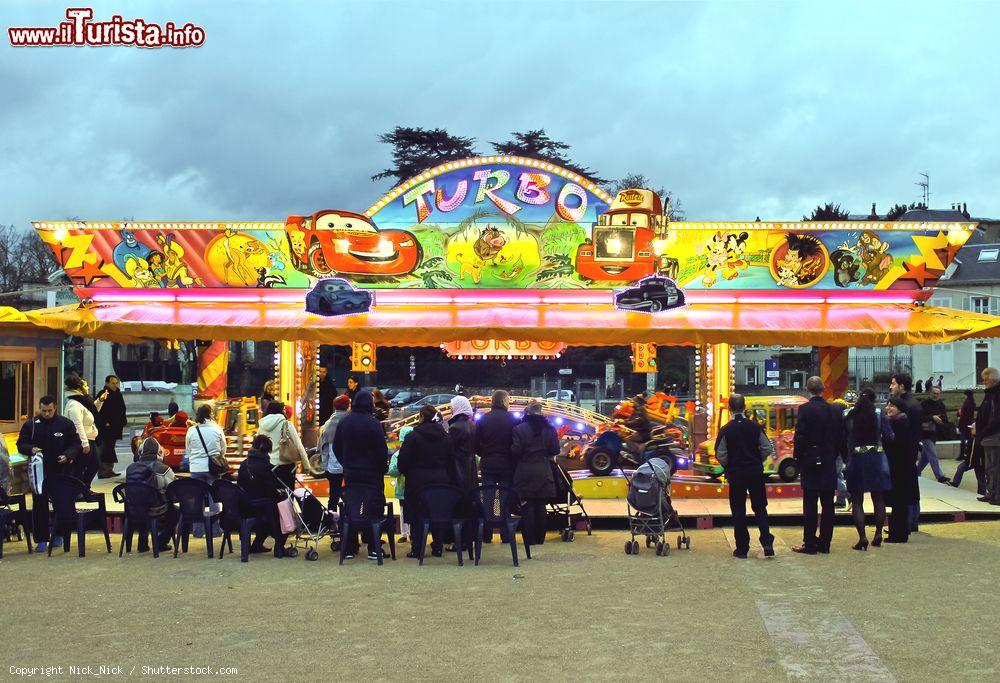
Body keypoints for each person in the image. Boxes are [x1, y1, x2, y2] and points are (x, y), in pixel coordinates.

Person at [16, 396, 82, 552]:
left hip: (60, 469)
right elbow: (21, 444)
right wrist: (31, 449)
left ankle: (60, 535)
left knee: (62, 503)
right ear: (39, 409)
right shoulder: (31, 425)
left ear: (55, 408)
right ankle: (41, 539)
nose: (46, 413)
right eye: (43, 411)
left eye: (49, 411)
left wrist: (68, 455)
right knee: (39, 504)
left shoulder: (65, 424)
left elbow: (76, 444)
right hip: (39, 471)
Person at [715, 393, 775, 559]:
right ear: (745, 407)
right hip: (755, 471)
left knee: (738, 509)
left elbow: (720, 453)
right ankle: (767, 541)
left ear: (729, 409)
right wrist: (757, 460)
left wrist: (729, 464)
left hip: (736, 473)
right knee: (760, 507)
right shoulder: (755, 427)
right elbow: (767, 448)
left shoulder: (726, 429)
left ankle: (742, 548)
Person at [332, 390, 389, 560]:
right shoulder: (374, 424)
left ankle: (350, 546)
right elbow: (382, 450)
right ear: (370, 405)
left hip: (351, 473)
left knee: (351, 506)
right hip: (372, 474)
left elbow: (336, 447)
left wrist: (346, 463)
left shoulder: (344, 422)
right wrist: (380, 467)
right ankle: (373, 546)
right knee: (374, 507)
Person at [792, 376, 844, 555]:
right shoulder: (834, 410)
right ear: (823, 389)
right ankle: (825, 542)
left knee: (810, 503)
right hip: (828, 460)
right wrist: (838, 455)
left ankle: (810, 543)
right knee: (828, 504)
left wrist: (798, 460)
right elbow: (840, 436)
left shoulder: (804, 410)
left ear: (808, 389)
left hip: (810, 460)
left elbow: (799, 437)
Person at [398, 405, 456, 558]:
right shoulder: (446, 437)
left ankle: (417, 549)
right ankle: (437, 546)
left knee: (417, 516)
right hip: (440, 481)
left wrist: (410, 473)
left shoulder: (412, 437)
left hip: (417, 483)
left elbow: (402, 462)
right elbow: (451, 461)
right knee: (437, 513)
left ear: (421, 417)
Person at [843, 388, 893, 550]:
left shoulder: (849, 414)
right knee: (878, 498)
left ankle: (862, 537)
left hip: (856, 458)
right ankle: (878, 533)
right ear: (874, 399)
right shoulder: (879, 414)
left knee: (857, 500)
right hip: (877, 458)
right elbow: (890, 436)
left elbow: (843, 437)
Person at [511, 402, 560, 548]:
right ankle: (540, 538)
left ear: (527, 413)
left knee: (527, 505)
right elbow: (555, 450)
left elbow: (515, 451)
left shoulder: (519, 429)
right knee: (540, 505)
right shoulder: (550, 429)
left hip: (525, 470)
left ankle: (529, 539)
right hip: (544, 470)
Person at [475, 390, 518, 543]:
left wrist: (485, 453)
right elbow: (516, 443)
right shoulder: (513, 419)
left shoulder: (483, 419)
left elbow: (476, 443)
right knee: (505, 498)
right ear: (505, 402)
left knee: (488, 497)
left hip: (488, 464)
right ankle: (506, 534)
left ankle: (486, 534)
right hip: (507, 464)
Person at [237, 435, 291, 557]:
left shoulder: (244, 464)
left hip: (245, 507)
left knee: (268, 513)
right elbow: (271, 490)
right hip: (262, 507)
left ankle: (257, 544)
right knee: (285, 513)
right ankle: (279, 548)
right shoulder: (265, 467)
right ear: (266, 451)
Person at [125, 437, 177, 552]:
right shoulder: (163, 468)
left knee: (143, 500)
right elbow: (173, 488)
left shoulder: (130, 468)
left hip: (132, 509)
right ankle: (161, 542)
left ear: (140, 452)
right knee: (174, 512)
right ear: (159, 452)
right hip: (154, 509)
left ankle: (142, 544)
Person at [185, 404, 226, 537]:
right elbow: (223, 449)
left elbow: (188, 451)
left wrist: (196, 459)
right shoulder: (217, 429)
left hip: (196, 469)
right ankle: (215, 530)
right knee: (214, 499)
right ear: (210, 414)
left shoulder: (191, 431)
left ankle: (198, 531)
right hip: (212, 468)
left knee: (198, 499)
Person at [890, 373, 924, 532]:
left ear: (902, 386)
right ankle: (910, 521)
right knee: (910, 485)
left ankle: (908, 523)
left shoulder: (907, 406)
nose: (891, 387)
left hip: (905, 451)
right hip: (910, 450)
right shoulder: (912, 403)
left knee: (906, 487)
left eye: (894, 384)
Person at [257, 400, 317, 488]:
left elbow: (257, 444)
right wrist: (306, 465)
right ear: (280, 410)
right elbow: (298, 445)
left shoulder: (262, 425)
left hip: (267, 464)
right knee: (287, 492)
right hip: (285, 464)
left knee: (272, 492)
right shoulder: (286, 424)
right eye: (284, 409)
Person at [884, 398, 918, 542]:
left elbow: (894, 445)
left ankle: (898, 534)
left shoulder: (897, 423)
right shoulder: (903, 421)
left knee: (899, 502)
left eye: (892, 406)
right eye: (888, 405)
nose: (888, 408)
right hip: (903, 467)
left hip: (899, 467)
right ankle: (900, 531)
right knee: (901, 503)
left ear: (900, 408)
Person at [63, 375, 100, 484]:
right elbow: (77, 424)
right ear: (79, 389)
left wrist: (100, 401)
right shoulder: (75, 404)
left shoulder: (82, 401)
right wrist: (84, 443)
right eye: (86, 385)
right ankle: (79, 490)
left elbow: (92, 411)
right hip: (83, 440)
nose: (88, 387)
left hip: (89, 439)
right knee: (82, 466)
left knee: (93, 465)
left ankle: (83, 489)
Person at [319, 394, 350, 514]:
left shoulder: (328, 424)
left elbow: (324, 448)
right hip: (349, 465)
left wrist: (326, 466)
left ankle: (332, 522)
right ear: (348, 406)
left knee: (333, 496)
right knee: (350, 496)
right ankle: (349, 521)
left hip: (333, 465)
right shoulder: (350, 421)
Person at [974, 367, 1000, 505]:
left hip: (995, 437)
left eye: (985, 380)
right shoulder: (990, 394)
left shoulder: (996, 395)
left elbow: (996, 418)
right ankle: (991, 492)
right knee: (990, 467)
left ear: (993, 379)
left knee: (995, 467)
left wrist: (983, 432)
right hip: (988, 437)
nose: (984, 382)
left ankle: (996, 494)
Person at [95, 374, 127, 479]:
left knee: (110, 448)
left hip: (115, 427)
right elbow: (99, 410)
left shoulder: (117, 394)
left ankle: (109, 470)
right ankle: (103, 471)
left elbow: (122, 409)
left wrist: (122, 421)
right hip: (106, 428)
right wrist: (105, 422)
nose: (115, 385)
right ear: (107, 383)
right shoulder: (103, 394)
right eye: (113, 383)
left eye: (116, 383)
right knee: (104, 449)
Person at [918, 385, 951, 484]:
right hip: (925, 432)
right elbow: (919, 417)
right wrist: (932, 417)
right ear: (930, 393)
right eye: (934, 393)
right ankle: (939, 476)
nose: (936, 395)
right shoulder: (924, 404)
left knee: (926, 456)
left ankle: (916, 471)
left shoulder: (941, 404)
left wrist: (942, 421)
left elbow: (945, 417)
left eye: (937, 393)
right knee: (932, 454)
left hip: (935, 432)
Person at [388, 425, 413, 545]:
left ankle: (407, 533)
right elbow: (392, 471)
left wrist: (399, 469)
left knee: (404, 511)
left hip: (403, 489)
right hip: (407, 488)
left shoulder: (397, 455)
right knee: (407, 511)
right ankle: (406, 533)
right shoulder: (417, 452)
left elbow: (392, 471)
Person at [448, 395, 478, 493]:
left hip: (458, 471)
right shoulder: (473, 425)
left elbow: (449, 449)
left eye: (452, 407)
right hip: (471, 470)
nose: (450, 410)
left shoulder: (455, 427)